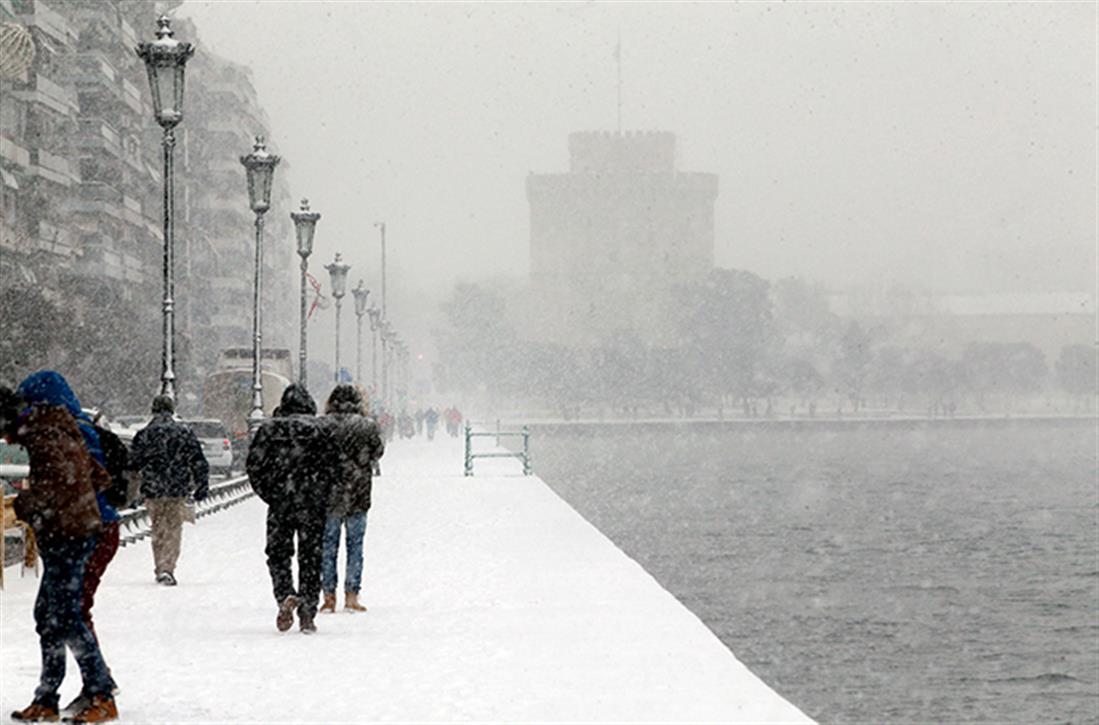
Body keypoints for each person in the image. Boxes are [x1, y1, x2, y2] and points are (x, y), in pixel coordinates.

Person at [2, 381, 119, 723]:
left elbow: (60, 485)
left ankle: (101, 694)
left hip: (69, 536)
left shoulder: (44, 436)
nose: (7, 442)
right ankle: (47, 698)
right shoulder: (55, 428)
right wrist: (79, 502)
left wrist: (25, 505)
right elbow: (98, 477)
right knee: (50, 616)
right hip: (72, 531)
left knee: (66, 616)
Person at [246, 384, 337, 634]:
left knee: (278, 554)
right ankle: (308, 611)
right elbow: (333, 468)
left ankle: (285, 594)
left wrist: (272, 494)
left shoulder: (269, 430)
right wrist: (322, 495)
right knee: (311, 557)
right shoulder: (320, 431)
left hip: (281, 504)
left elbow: (254, 467)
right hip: (312, 505)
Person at [130, 395, 209, 586]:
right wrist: (201, 484)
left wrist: (131, 492)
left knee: (158, 528)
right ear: (172, 410)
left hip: (153, 489)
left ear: (153, 410)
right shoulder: (183, 432)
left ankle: (159, 566)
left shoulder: (144, 434)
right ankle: (168, 567)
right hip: (176, 488)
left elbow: (132, 465)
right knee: (174, 528)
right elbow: (197, 460)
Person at [318, 385, 384, 614]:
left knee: (328, 546)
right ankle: (352, 595)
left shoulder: (323, 425)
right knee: (355, 546)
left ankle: (328, 596)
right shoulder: (367, 426)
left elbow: (314, 456)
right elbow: (378, 452)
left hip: (330, 494)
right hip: (358, 493)